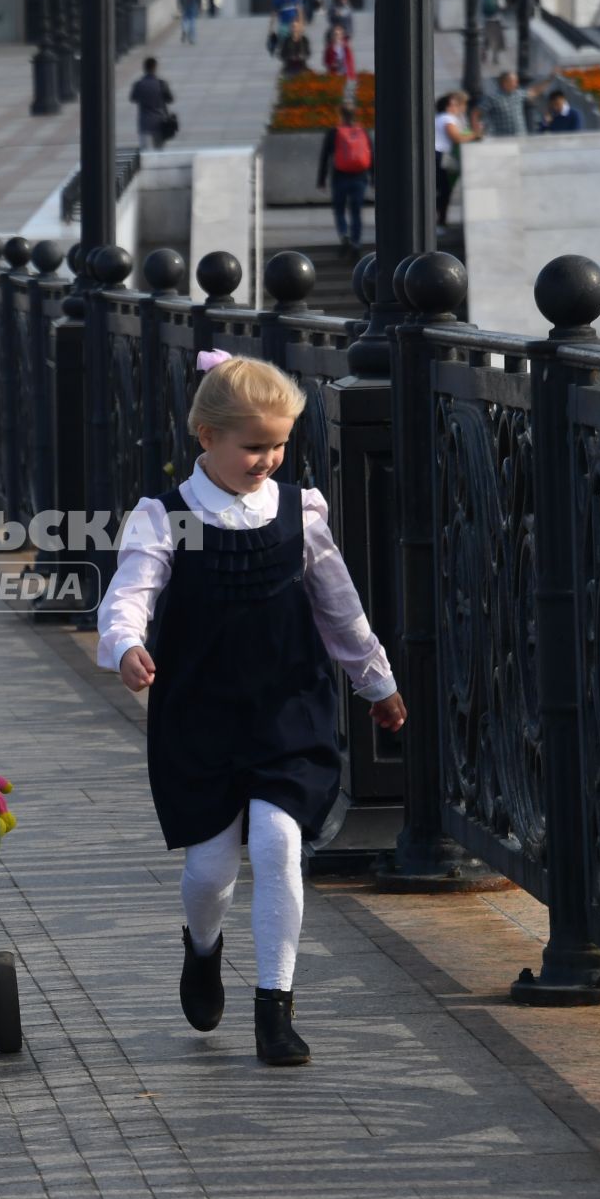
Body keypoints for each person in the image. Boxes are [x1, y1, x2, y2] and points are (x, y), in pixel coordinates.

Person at [99, 353, 404, 1067]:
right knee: (210, 870)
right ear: (206, 437)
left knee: (277, 842)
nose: (267, 459)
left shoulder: (300, 512)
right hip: (199, 713)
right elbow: (130, 593)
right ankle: (202, 949)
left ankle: (276, 1007)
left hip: (287, 705)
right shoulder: (168, 517)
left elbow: (340, 608)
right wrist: (124, 647)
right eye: (253, 445)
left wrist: (376, 681)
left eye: (279, 445)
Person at [316, 105, 371, 256]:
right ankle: (356, 243)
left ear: (341, 115)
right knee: (356, 212)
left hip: (339, 177)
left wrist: (321, 180)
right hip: (360, 177)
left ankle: (344, 234)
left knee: (339, 210)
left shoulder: (334, 133)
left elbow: (325, 157)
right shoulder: (362, 132)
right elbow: (371, 155)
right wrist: (373, 177)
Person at [433, 91, 478, 230]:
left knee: (441, 190)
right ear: (448, 106)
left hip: (438, 156)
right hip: (440, 156)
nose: (457, 107)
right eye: (454, 104)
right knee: (444, 191)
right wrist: (475, 135)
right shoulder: (448, 118)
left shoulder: (440, 117)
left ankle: (438, 220)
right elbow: (457, 138)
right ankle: (440, 222)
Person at [129, 57, 175, 154]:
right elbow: (170, 99)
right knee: (159, 151)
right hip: (159, 121)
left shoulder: (139, 84)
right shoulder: (161, 84)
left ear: (144, 68)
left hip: (144, 122)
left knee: (144, 152)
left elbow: (133, 98)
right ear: (155, 67)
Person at [476, 70, 536, 137]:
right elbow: (475, 113)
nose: (517, 84)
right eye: (514, 81)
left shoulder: (518, 94)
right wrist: (477, 133)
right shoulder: (492, 98)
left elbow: (534, 92)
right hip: (503, 140)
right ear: (505, 83)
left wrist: (549, 79)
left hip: (520, 138)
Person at [479, 0, 507, 64]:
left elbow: (480, 7)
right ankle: (495, 57)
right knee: (496, 39)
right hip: (496, 20)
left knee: (485, 38)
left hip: (486, 20)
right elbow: (502, 6)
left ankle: (484, 53)